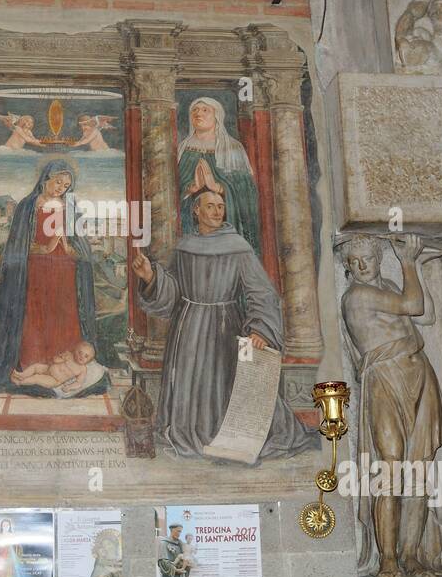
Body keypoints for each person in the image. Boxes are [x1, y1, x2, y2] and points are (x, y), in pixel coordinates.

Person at [131, 189, 315, 460]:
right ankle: (195, 433)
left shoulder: (237, 246)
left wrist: (260, 328)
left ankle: (229, 438)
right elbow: (172, 291)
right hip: (188, 328)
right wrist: (150, 277)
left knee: (226, 381)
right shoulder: (184, 247)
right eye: (211, 206)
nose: (217, 211)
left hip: (226, 326)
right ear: (196, 211)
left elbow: (261, 291)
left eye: (220, 206)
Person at [340, 233, 442, 577]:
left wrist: (415, 268)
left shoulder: (384, 284)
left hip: (417, 373)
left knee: (419, 471)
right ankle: (388, 559)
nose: (360, 267)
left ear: (376, 258)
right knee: (390, 466)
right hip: (385, 379)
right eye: (353, 263)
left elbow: (425, 316)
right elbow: (411, 305)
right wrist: (409, 261)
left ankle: (411, 555)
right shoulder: (356, 297)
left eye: (366, 259)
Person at [0, 159, 106, 393]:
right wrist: (44, 248)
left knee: (64, 314)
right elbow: (20, 246)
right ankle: (31, 365)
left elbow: (77, 243)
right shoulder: (28, 206)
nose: (61, 187)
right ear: (46, 178)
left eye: (66, 185)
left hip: (65, 271)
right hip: (37, 270)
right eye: (58, 182)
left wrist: (71, 250)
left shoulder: (69, 206)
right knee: (37, 313)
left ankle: (64, 369)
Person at [177, 97, 262, 254]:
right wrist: (191, 188)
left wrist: (220, 187)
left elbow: (247, 190)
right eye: (194, 110)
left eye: (205, 110)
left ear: (217, 116)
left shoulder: (233, 147)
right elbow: (172, 190)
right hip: (191, 226)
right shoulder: (181, 149)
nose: (198, 114)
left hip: (224, 225)